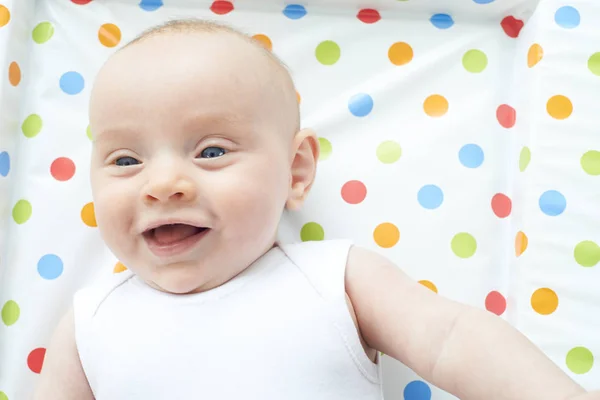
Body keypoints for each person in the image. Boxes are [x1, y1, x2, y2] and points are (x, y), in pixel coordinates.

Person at [34, 19, 599, 400]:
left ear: (296, 171)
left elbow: (450, 338)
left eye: (210, 151)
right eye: (126, 160)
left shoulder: (332, 278)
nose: (162, 185)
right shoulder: (88, 323)